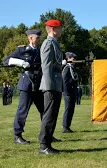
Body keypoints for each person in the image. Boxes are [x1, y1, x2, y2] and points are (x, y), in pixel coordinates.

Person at [4, 29, 46, 145]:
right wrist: (20, 63)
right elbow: (6, 61)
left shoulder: (41, 50)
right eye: (37, 38)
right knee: (22, 111)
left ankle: (46, 135)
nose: (39, 40)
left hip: (38, 84)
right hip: (27, 84)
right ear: (31, 38)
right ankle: (18, 135)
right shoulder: (21, 50)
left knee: (44, 110)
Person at [38, 19, 63, 154]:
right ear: (53, 29)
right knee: (48, 116)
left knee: (52, 116)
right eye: (59, 28)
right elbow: (46, 67)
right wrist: (50, 86)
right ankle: (44, 146)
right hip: (51, 85)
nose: (61, 31)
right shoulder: (48, 44)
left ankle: (47, 144)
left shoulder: (54, 43)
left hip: (55, 84)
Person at [62, 52, 79, 133]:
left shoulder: (72, 68)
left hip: (72, 91)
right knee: (68, 109)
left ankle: (68, 126)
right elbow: (64, 82)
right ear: (68, 58)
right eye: (73, 58)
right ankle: (65, 126)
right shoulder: (66, 68)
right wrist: (67, 93)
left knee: (71, 109)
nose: (74, 60)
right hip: (68, 92)